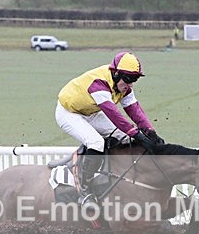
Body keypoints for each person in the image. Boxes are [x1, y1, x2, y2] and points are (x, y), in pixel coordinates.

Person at [55, 51, 164, 205]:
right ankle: (84, 189)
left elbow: (134, 109)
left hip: (90, 111)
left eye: (134, 79)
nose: (130, 84)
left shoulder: (123, 87)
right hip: (69, 113)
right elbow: (114, 115)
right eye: (128, 79)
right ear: (116, 74)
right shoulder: (99, 84)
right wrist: (138, 135)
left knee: (126, 137)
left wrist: (150, 132)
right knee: (96, 143)